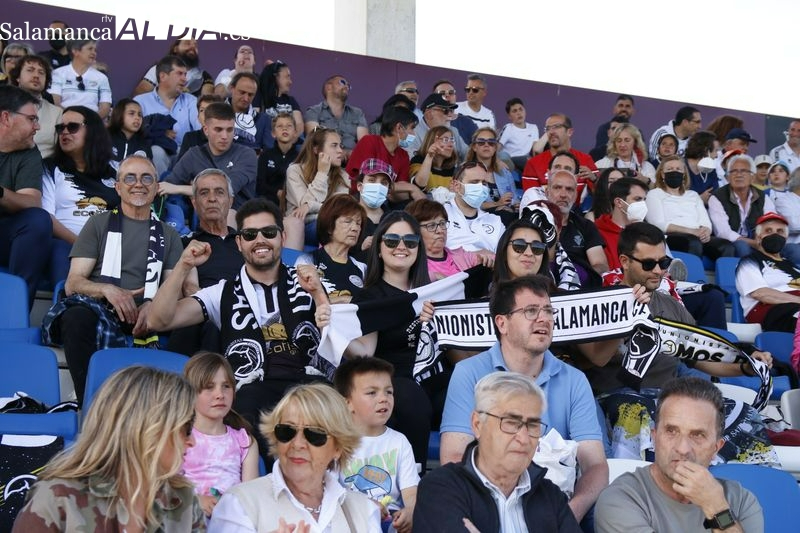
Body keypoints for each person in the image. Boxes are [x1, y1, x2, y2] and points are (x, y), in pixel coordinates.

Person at [146, 198, 332, 463]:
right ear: (239, 242)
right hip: (254, 390)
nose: (260, 240)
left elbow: (338, 334)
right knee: (246, 407)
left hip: (309, 382)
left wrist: (319, 295)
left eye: (268, 232)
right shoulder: (221, 292)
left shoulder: (309, 282)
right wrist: (184, 266)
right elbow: (158, 320)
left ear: (282, 237)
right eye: (249, 234)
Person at [439, 276, 608, 525]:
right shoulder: (468, 372)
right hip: (489, 497)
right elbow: (454, 456)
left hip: (557, 501)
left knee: (604, 508)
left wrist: (568, 515)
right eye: (531, 311)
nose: (544, 319)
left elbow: (595, 465)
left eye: (549, 311)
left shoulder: (574, 379)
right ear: (502, 323)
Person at [41, 155, 184, 404]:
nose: (138, 184)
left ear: (155, 187)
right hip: (102, 309)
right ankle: (92, 402)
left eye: (146, 178)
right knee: (75, 317)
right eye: (129, 177)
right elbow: (73, 283)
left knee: (193, 321)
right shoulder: (98, 223)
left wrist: (154, 304)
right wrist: (109, 290)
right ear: (118, 187)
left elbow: (175, 288)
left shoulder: (169, 235)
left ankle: (171, 405)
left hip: (149, 316)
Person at [12, 366, 203, 532]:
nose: (192, 441)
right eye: (186, 429)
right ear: (147, 430)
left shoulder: (183, 499)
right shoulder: (58, 499)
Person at [417, 371, 582, 532]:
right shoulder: (441, 488)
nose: (524, 438)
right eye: (510, 422)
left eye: (532, 425)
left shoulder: (550, 495)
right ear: (477, 424)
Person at [595, 377, 764, 533]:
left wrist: (716, 508)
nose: (683, 449)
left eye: (697, 435)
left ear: (716, 447)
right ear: (654, 438)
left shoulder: (740, 501)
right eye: (671, 431)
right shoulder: (621, 499)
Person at [209, 382, 381, 532]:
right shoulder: (239, 504)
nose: (298, 444)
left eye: (314, 434)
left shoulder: (364, 510)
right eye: (287, 431)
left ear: (338, 447)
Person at [345, 211, 439, 468]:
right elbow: (365, 351)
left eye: (410, 241)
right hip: (397, 380)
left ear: (418, 249)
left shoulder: (436, 291)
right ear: (378, 247)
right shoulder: (370, 297)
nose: (401, 247)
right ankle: (416, 480)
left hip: (435, 376)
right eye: (392, 240)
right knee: (410, 395)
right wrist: (333, 332)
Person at [334, 357, 419, 533]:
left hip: (391, 519)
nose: (383, 399)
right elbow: (329, 492)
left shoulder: (399, 441)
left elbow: (411, 492)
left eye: (389, 392)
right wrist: (363, 505)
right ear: (347, 403)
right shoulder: (336, 442)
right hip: (350, 519)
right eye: (372, 393)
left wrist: (410, 511)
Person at [165, 169, 244, 356]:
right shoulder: (185, 244)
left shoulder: (247, 242)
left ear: (230, 201)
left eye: (219, 192)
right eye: (204, 193)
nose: (212, 199)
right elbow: (190, 288)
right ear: (194, 202)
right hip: (202, 313)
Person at [42, 106, 120, 287]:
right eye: (61, 128)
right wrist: (82, 246)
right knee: (59, 249)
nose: (65, 132)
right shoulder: (50, 168)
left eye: (73, 127)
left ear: (93, 131)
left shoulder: (116, 170)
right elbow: (47, 217)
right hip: (67, 245)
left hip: (111, 247)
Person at [183, 351, 259, 518]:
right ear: (190, 393)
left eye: (226, 386)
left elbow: (251, 498)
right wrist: (196, 500)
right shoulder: (178, 438)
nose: (220, 394)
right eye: (209, 387)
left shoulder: (245, 441)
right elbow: (163, 489)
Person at [160, 102, 257, 226]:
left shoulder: (247, 155)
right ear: (206, 130)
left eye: (229, 130)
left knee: (228, 215)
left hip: (239, 218)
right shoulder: (194, 154)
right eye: (218, 129)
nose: (225, 136)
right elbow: (168, 184)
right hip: (201, 218)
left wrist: (178, 189)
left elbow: (227, 189)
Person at [0, 85, 53, 309]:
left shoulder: (29, 151)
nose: (38, 126)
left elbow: (31, 202)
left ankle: (15, 313)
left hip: (6, 235)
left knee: (37, 220)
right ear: (5, 118)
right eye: (32, 119)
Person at [645, 155, 734, 261]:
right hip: (670, 237)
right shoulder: (654, 194)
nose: (674, 172)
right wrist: (691, 231)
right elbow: (659, 224)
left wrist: (706, 231)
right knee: (693, 242)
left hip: (696, 235)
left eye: (678, 169)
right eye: (669, 169)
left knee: (726, 246)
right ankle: (692, 277)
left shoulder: (693, 195)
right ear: (662, 175)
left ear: (684, 175)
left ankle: (725, 277)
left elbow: (705, 221)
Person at [296, 194, 367, 303]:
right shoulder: (306, 260)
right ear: (329, 226)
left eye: (358, 223)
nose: (355, 228)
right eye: (348, 221)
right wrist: (343, 300)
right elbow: (301, 304)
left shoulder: (362, 268)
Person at [285, 127, 350, 246]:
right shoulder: (294, 171)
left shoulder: (342, 175)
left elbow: (339, 209)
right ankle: (290, 264)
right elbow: (303, 204)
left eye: (341, 146)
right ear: (316, 149)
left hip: (329, 224)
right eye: (334, 145)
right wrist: (322, 173)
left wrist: (310, 206)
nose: (340, 151)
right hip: (301, 226)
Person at [736, 212, 800, 333]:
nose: (775, 235)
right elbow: (761, 294)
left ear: (786, 238)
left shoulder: (794, 266)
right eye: (768, 231)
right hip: (770, 310)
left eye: (780, 231)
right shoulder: (749, 261)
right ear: (759, 238)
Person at [546, 169, 609, 287]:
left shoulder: (586, 226)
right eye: (557, 188)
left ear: (575, 196)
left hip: (580, 290)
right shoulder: (533, 224)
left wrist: (580, 276)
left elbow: (601, 265)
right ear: (547, 192)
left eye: (569, 189)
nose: (563, 194)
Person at [134, 55, 201, 163]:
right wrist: (158, 134)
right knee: (156, 151)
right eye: (179, 73)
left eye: (185, 74)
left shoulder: (192, 101)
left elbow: (201, 129)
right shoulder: (140, 102)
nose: (185, 79)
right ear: (163, 76)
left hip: (185, 154)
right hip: (154, 154)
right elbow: (134, 134)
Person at [346, 105, 419, 202]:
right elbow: (370, 183)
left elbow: (402, 195)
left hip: (385, 201)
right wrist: (412, 188)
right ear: (399, 128)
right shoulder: (369, 142)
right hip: (356, 198)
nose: (414, 134)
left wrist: (407, 190)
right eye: (412, 128)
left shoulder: (403, 155)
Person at [708, 153, 776, 257]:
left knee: (791, 250)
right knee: (742, 246)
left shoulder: (762, 197)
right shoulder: (717, 197)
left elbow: (772, 222)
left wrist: (764, 239)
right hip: (730, 243)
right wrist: (752, 243)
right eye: (734, 171)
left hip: (759, 241)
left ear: (752, 177)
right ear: (728, 177)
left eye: (744, 171)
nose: (738, 174)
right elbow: (723, 232)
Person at [405, 198, 486, 282]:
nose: (440, 230)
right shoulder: (411, 263)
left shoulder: (460, 255)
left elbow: (495, 260)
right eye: (431, 226)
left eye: (442, 223)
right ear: (414, 231)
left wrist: (486, 260)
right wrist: (434, 276)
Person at [521, 112, 597, 192]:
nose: (551, 132)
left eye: (556, 127)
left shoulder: (585, 160)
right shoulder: (533, 164)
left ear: (569, 132)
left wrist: (594, 179)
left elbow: (601, 194)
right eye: (548, 128)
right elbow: (530, 198)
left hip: (576, 204)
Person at [443, 161, 504, 254]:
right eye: (474, 182)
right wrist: (474, 255)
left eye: (484, 183)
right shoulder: (439, 215)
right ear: (456, 185)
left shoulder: (496, 222)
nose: (480, 187)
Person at [8, 53, 61, 158]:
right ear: (18, 77)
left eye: (41, 72)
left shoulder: (57, 113)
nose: (36, 75)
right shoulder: (3, 104)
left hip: (42, 168)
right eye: (30, 70)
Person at [304, 74, 368, 158]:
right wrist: (341, 154)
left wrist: (350, 154)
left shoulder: (358, 113)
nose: (346, 86)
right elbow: (315, 141)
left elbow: (364, 144)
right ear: (328, 87)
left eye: (348, 85)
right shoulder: (313, 112)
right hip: (323, 161)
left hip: (352, 163)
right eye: (342, 82)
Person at [466, 126, 518, 224]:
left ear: (495, 148)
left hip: (508, 214)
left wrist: (515, 205)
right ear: (474, 147)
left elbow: (514, 197)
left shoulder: (504, 172)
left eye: (491, 142)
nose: (486, 145)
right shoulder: (467, 172)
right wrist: (497, 204)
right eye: (481, 142)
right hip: (481, 217)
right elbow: (471, 203)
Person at [50, 39, 111, 119]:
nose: (94, 53)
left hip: (92, 123)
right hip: (64, 120)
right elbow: (55, 103)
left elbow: (105, 108)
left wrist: (90, 121)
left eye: (95, 50)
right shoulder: (58, 73)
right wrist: (72, 119)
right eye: (90, 49)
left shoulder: (102, 77)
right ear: (75, 51)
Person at [133, 39, 214, 98]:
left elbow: (208, 101)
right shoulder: (159, 68)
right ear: (175, 49)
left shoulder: (204, 76)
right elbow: (140, 93)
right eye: (187, 43)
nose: (193, 47)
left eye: (195, 45)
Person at [256, 112, 300, 206]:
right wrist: (277, 192)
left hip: (294, 203)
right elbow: (260, 185)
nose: (285, 128)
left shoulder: (301, 157)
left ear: (295, 133)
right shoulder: (265, 156)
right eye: (280, 126)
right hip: (268, 202)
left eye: (289, 126)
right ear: (273, 133)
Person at [492, 218, 551, 284]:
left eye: (537, 247)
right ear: (504, 252)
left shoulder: (560, 294)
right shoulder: (486, 292)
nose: (529, 253)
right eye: (519, 245)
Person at [259, 59, 303, 137]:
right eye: (287, 77)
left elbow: (299, 125)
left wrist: (291, 141)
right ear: (275, 77)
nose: (290, 82)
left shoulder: (291, 101)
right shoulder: (260, 99)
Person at [409, 125, 458, 192]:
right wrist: (429, 156)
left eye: (452, 140)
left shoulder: (452, 169)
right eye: (445, 140)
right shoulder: (418, 160)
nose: (451, 145)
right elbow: (419, 185)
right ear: (432, 141)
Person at [498, 96, 540, 171]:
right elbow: (497, 148)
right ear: (509, 116)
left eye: (521, 109)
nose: (519, 113)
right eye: (514, 111)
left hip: (526, 161)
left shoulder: (533, 128)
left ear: (525, 111)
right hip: (510, 160)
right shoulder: (508, 128)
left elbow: (535, 150)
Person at [432, 79, 477, 148]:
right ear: (433, 99)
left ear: (455, 97)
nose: (447, 95)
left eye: (451, 92)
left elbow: (477, 148)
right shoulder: (428, 121)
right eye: (442, 93)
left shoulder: (467, 122)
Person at [177, 94, 222, 161]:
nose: (206, 114)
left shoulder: (226, 137)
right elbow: (181, 168)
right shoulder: (190, 137)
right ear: (198, 117)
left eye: (210, 110)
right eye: (202, 110)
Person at [592, 94, 636, 159]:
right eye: (620, 106)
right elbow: (601, 152)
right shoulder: (604, 128)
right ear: (614, 109)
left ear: (633, 111)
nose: (624, 109)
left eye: (627, 106)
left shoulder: (637, 131)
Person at [683, 130, 721, 204]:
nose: (716, 156)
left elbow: (714, 196)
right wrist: (699, 199)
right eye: (715, 151)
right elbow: (675, 199)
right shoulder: (679, 167)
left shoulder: (711, 171)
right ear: (706, 150)